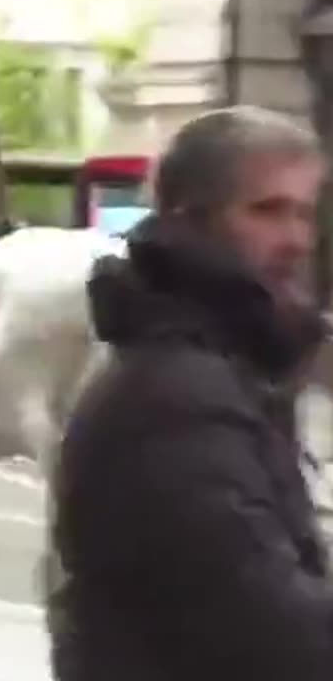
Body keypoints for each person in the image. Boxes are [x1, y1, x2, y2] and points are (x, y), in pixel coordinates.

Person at [49, 106, 331, 680]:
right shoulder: (175, 398)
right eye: (269, 211)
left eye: (305, 215)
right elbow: (272, 629)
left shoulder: (225, 371)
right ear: (187, 220)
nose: (298, 240)